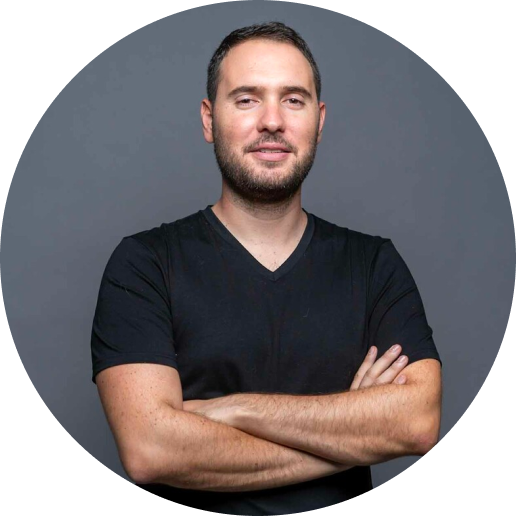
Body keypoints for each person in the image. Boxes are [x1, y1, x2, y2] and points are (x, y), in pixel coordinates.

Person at [91, 21, 442, 513]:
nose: (272, 121)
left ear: (319, 121)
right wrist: (355, 433)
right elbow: (152, 450)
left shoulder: (374, 265)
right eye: (247, 99)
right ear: (209, 120)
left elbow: (416, 423)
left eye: (293, 100)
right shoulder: (145, 264)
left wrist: (236, 409)